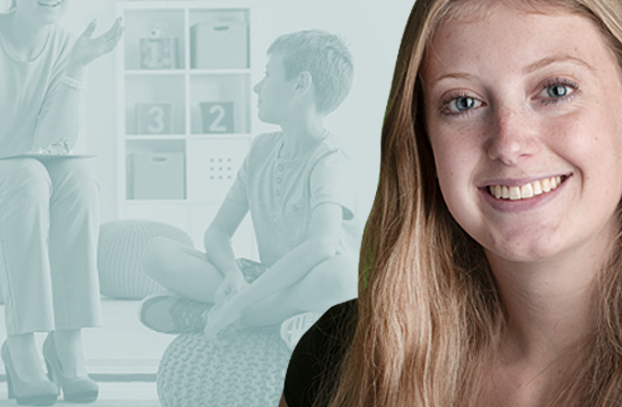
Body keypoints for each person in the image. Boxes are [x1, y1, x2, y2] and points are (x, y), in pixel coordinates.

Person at [279, 0, 622, 406]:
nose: (509, 144)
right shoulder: (335, 356)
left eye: (556, 90)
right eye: (463, 102)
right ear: (424, 142)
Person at [139, 29, 359, 345]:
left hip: (315, 282)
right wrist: (231, 274)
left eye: (268, 74)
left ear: (300, 84)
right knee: (156, 252)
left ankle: (216, 315)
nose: (257, 86)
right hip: (269, 281)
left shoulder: (330, 158)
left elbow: (321, 246)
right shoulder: (260, 151)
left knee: (343, 277)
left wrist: (239, 302)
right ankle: (277, 316)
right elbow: (217, 232)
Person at [0, 0, 123, 405]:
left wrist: (77, 67)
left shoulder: (67, 45)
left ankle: (66, 342)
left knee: (77, 177)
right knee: (26, 176)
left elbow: (54, 144)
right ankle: (20, 344)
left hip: (24, 183)